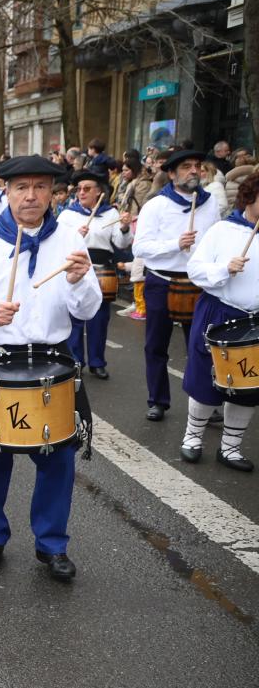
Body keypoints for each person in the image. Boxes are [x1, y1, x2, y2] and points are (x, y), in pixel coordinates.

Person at [0, 155, 100, 582]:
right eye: (21, 188)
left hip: (53, 358)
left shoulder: (70, 238)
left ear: (53, 192)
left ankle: (52, 545)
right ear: (6, 192)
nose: (30, 195)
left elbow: (87, 310)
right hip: (0, 359)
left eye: (39, 186)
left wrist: (79, 280)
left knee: (57, 458)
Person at [134, 148, 224, 421]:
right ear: (172, 174)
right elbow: (141, 247)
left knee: (200, 346)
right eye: (186, 166)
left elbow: (218, 241)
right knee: (156, 345)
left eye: (197, 166)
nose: (194, 171)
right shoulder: (156, 205)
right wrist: (175, 244)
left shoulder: (210, 204)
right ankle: (158, 400)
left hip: (198, 284)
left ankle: (205, 402)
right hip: (162, 281)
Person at [178, 171, 259, 472]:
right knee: (205, 379)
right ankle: (192, 438)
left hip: (254, 320)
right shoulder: (222, 230)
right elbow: (194, 270)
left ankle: (230, 448)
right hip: (219, 312)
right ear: (250, 198)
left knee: (248, 384)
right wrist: (226, 268)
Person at [55, 170, 132, 379]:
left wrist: (124, 227)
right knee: (75, 316)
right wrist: (73, 237)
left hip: (102, 269)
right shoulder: (67, 215)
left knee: (99, 318)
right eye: (79, 189)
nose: (81, 192)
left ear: (99, 193)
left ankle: (98, 362)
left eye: (87, 189)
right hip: (76, 268)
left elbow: (121, 243)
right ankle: (76, 361)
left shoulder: (111, 214)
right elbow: (56, 242)